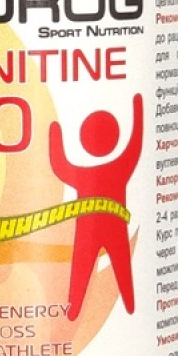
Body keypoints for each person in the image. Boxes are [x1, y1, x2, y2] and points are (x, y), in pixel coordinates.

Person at [49, 94, 143, 320]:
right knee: (115, 270)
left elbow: (61, 167)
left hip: (95, 230)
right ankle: (126, 307)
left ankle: (75, 312)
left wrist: (55, 135)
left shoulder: (85, 175)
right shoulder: (120, 168)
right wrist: (138, 110)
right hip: (112, 228)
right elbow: (135, 145)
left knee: (86, 271)